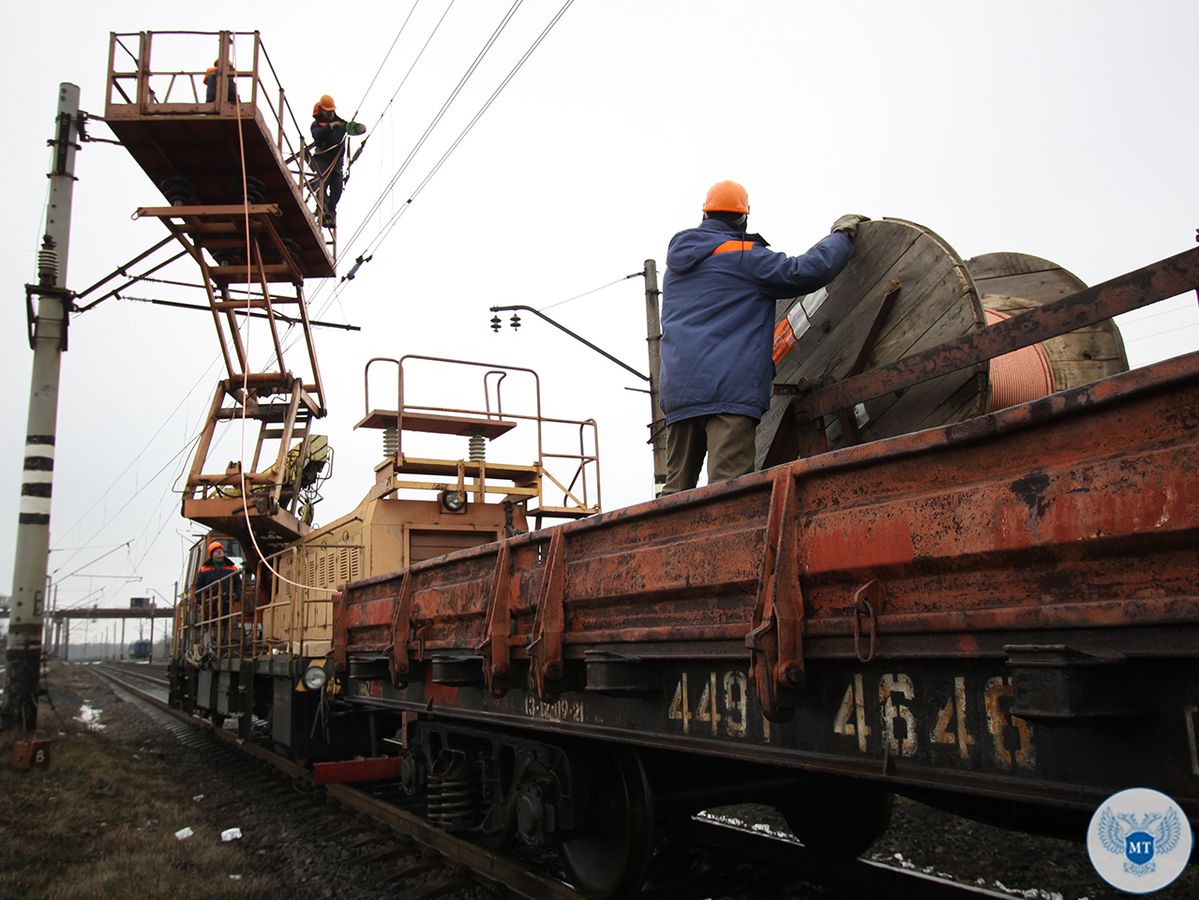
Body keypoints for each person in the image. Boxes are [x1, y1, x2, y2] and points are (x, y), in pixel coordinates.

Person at [658, 180, 867, 494]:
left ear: (705, 214)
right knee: (728, 493)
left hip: (680, 392)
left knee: (675, 494)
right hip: (727, 390)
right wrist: (842, 236)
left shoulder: (676, 267)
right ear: (743, 218)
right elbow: (804, 272)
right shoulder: (745, 257)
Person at [310, 95, 347, 227]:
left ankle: (330, 211)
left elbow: (340, 139)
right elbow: (317, 136)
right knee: (321, 184)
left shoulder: (340, 125)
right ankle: (323, 208)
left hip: (336, 163)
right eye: (327, 111)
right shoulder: (316, 125)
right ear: (322, 111)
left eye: (331, 111)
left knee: (337, 188)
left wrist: (347, 127)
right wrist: (330, 127)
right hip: (322, 159)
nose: (330, 113)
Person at [194, 540, 242, 616]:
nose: (219, 552)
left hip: (227, 601)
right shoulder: (204, 569)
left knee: (226, 619)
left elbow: (238, 584)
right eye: (216, 551)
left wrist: (237, 595)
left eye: (221, 551)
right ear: (212, 554)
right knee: (208, 621)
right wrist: (200, 600)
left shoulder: (232, 568)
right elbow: (199, 586)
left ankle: (225, 627)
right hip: (209, 602)